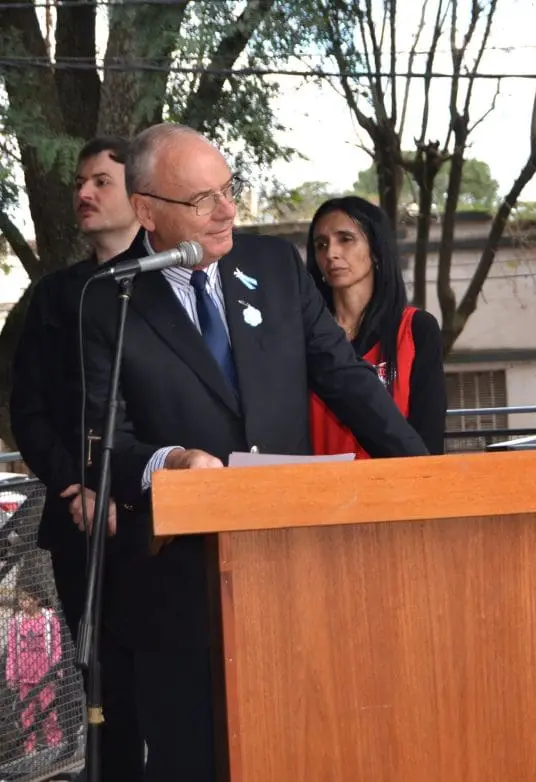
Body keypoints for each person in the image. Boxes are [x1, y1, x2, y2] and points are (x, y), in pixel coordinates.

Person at [80, 122, 429, 782]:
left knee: (308, 750)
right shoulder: (112, 303)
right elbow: (104, 448)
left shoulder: (271, 269)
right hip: (181, 591)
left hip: (292, 573)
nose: (227, 210)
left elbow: (349, 382)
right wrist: (171, 463)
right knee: (196, 760)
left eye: (229, 189)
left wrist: (425, 477)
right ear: (148, 210)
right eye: (202, 199)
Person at [9, 136, 145, 780]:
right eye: (80, 183)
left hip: (159, 518)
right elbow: (28, 411)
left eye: (102, 181)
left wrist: (127, 490)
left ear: (139, 195)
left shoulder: (174, 280)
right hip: (79, 524)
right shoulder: (57, 294)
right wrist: (75, 487)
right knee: (101, 685)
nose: (84, 194)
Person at [306, 196, 446, 456]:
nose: (331, 253)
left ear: (376, 250)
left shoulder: (416, 329)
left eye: (345, 239)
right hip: (317, 489)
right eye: (321, 244)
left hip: (393, 489)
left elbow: (429, 437)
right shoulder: (303, 336)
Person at [5, 585, 62, 756]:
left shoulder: (49, 619)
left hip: (45, 676)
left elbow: (57, 646)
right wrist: (11, 675)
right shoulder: (16, 622)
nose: (22, 603)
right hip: (25, 677)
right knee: (26, 715)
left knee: (49, 714)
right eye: (20, 599)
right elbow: (12, 651)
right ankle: (30, 750)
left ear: (37, 599)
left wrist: (56, 672)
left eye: (26, 599)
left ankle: (54, 745)